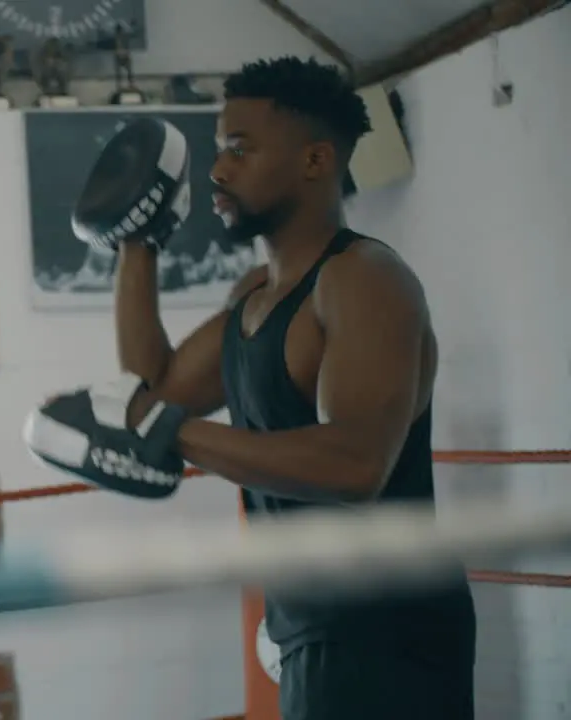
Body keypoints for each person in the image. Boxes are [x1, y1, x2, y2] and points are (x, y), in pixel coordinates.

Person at [26, 58, 476, 719]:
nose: (217, 170)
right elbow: (157, 386)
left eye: (241, 149)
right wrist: (139, 244)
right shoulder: (255, 297)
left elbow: (356, 465)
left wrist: (168, 432)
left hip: (387, 632)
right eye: (217, 150)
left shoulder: (364, 280)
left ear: (316, 161)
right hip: (312, 627)